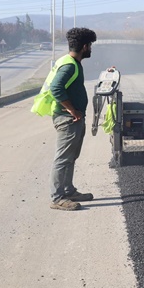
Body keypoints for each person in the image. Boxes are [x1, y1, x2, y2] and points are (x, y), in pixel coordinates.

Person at [49, 27, 98, 211]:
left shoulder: (71, 62)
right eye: (90, 45)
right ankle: (57, 198)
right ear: (85, 46)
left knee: (70, 157)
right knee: (62, 159)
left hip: (72, 119)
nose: (91, 49)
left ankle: (68, 191)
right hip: (67, 119)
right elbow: (56, 88)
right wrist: (72, 110)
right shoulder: (70, 65)